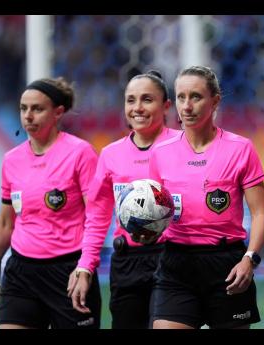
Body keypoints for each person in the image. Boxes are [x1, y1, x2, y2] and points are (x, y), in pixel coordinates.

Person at [148, 65, 264, 329]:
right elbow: (156, 213)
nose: (187, 106)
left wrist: (250, 259)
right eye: (181, 97)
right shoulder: (161, 153)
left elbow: (260, 213)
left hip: (227, 265)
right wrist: (146, 230)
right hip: (176, 266)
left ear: (215, 101)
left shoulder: (241, 149)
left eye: (196, 96)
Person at [0, 77, 101, 329]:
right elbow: (5, 222)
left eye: (37, 109)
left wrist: (85, 268)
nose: (28, 116)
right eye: (23, 109)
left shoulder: (81, 153)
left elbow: (96, 218)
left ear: (57, 113)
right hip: (21, 273)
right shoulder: (12, 159)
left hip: (69, 272)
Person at [68, 70, 179, 329]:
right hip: (127, 262)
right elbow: (97, 217)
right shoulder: (110, 154)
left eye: (147, 100)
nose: (137, 108)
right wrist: (85, 267)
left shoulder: (182, 146)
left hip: (174, 259)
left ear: (166, 106)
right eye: (131, 100)